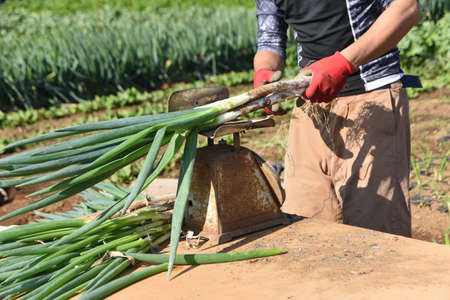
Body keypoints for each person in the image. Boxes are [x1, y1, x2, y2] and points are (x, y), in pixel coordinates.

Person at [253, 0, 421, 237]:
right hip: (312, 104)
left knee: (375, 233)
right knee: (306, 225)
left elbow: (406, 9)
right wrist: (265, 71)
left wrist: (344, 63)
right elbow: (269, 39)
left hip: (372, 96)